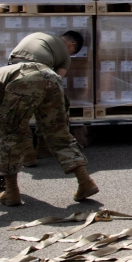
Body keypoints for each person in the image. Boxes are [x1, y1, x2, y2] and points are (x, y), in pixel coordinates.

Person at [0, 62, 98, 206]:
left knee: (10, 134)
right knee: (58, 133)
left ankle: (11, 192)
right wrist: (2, 167)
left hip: (25, 78)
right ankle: (85, 182)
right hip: (50, 77)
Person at [8, 31, 83, 166]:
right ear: (71, 45)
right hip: (37, 72)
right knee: (49, 106)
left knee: (19, 114)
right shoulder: (65, 55)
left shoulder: (37, 36)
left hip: (12, 68)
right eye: (73, 52)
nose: (70, 54)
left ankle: (27, 155)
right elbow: (56, 80)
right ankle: (43, 148)